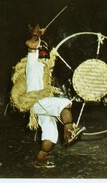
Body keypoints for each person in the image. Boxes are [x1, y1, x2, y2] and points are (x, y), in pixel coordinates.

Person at [25, 24, 85, 168]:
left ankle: (39, 161)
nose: (45, 55)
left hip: (42, 104)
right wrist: (36, 33)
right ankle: (70, 131)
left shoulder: (45, 70)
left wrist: (42, 38)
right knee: (64, 103)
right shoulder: (32, 61)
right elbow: (31, 44)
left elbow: (41, 47)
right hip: (37, 102)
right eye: (43, 51)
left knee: (51, 136)